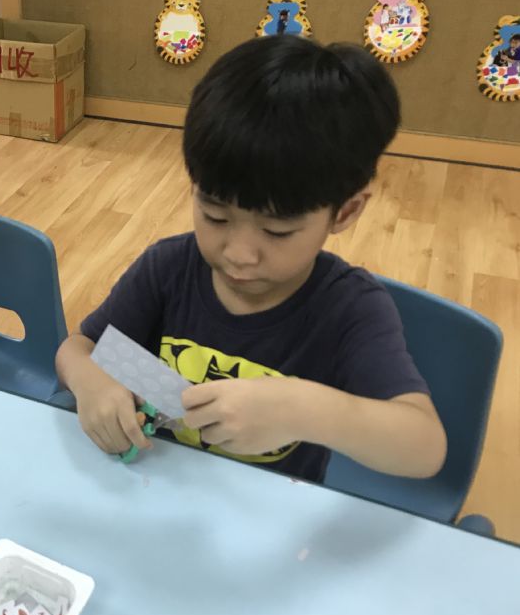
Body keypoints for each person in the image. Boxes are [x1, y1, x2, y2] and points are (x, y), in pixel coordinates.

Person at [55, 35, 447, 483]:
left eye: (277, 231)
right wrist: (91, 382)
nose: (239, 254)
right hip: (159, 485)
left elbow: (425, 447)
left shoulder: (348, 308)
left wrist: (304, 409)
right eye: (215, 215)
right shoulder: (168, 269)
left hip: (272, 509)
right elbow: (78, 348)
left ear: (345, 212)